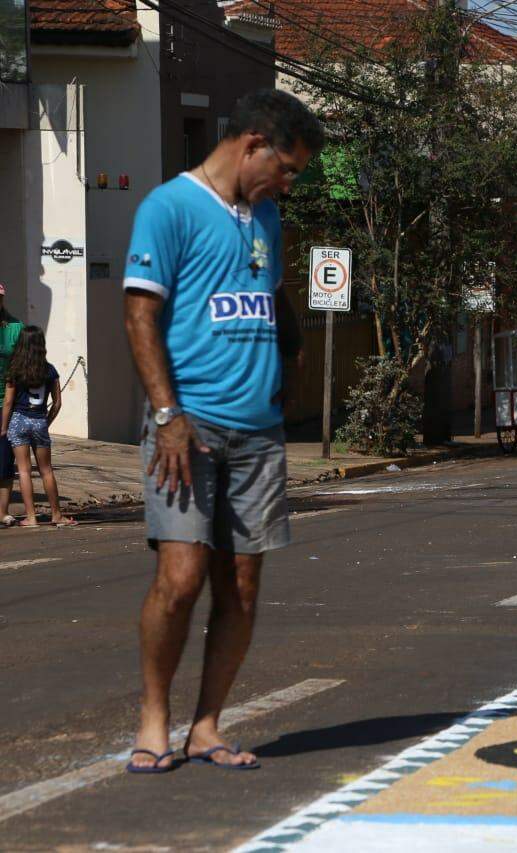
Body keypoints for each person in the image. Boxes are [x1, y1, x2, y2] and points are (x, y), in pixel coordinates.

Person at [120, 89, 322, 773]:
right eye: (287, 168)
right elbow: (140, 317)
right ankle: (154, 718)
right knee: (179, 578)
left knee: (240, 584)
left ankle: (207, 725)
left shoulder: (266, 218)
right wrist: (167, 415)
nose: (288, 184)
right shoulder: (168, 207)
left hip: (258, 431)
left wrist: (286, 374)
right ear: (253, 142)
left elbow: (274, 302)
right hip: (189, 425)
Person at [0, 325, 75, 527]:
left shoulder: (14, 370)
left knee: (24, 471)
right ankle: (57, 515)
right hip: (39, 419)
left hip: (18, 420)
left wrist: (4, 427)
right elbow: (58, 403)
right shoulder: (50, 370)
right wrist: (46, 421)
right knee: (46, 470)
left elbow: (8, 402)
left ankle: (31, 517)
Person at [0, 284, 19, 528]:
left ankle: (2, 512)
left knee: (4, 461)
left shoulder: (16, 328)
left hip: (7, 401)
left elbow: (22, 365)